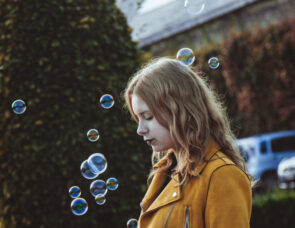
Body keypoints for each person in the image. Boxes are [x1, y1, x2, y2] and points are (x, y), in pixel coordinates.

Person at [123, 57, 253, 228]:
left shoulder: (221, 174)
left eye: (148, 117)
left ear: (178, 109)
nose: (140, 129)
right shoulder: (166, 172)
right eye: (138, 118)